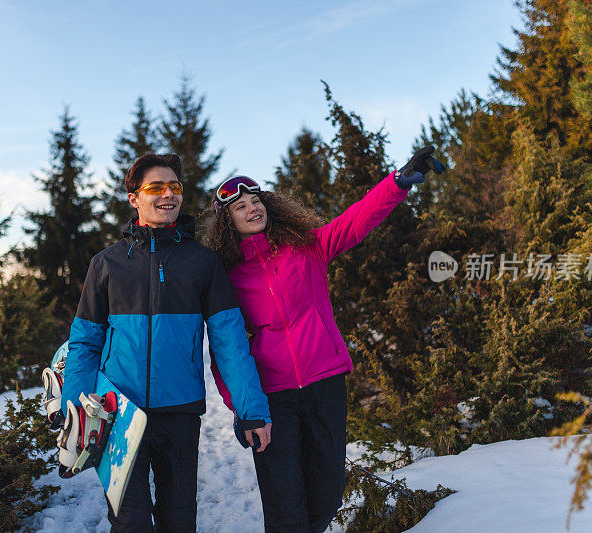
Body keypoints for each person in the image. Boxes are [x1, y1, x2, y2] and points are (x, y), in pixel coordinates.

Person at [205, 147, 441, 532]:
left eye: (256, 200)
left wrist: (396, 183)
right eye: (240, 207)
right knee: (285, 505)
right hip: (273, 397)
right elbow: (224, 349)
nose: (252, 209)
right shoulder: (227, 277)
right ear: (227, 222)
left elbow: (355, 222)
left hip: (325, 384)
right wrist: (240, 406)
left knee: (326, 495)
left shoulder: (305, 248)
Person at [61, 153, 272, 532]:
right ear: (134, 198)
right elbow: (85, 343)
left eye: (174, 187)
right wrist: (73, 411)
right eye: (156, 187)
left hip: (179, 413)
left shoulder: (202, 262)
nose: (167, 194)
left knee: (179, 520)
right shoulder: (107, 264)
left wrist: (251, 409)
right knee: (129, 521)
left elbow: (229, 343)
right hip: (118, 412)